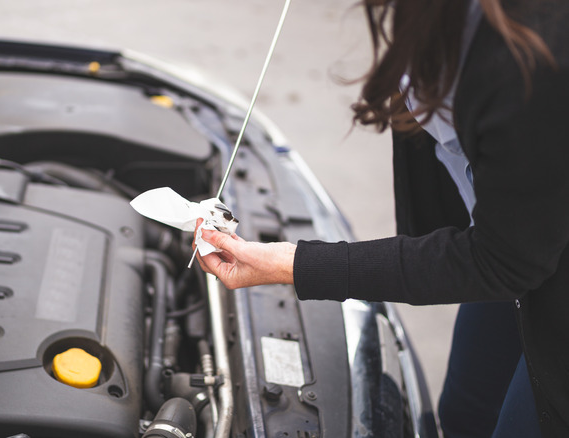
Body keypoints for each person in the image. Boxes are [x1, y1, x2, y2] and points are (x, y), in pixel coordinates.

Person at [193, 0, 569, 437]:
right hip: (515, 237)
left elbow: (500, 262)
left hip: (531, 269)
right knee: (467, 413)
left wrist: (293, 265)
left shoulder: (536, 55)